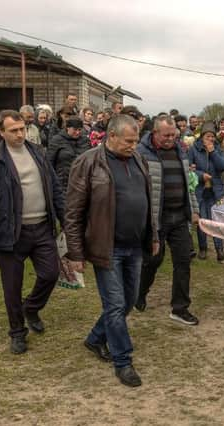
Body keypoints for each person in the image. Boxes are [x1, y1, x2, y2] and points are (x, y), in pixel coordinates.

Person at [65, 114, 159, 388]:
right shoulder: (88, 162)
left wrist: (152, 234)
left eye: (136, 139)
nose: (134, 145)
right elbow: (73, 212)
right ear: (112, 136)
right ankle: (123, 361)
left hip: (135, 245)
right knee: (115, 305)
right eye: (129, 141)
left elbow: (148, 202)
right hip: (108, 247)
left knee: (128, 301)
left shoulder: (139, 160)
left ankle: (95, 338)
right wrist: (76, 253)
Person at [0, 110, 65, 354]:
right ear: (1, 132)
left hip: (42, 228)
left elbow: (54, 188)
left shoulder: (37, 152)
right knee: (12, 287)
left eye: (22, 128)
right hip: (10, 233)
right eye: (13, 130)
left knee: (50, 273)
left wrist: (66, 220)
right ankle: (17, 332)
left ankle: (31, 308)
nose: (19, 134)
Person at [135, 115, 201, 326]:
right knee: (153, 260)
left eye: (174, 135)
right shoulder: (141, 153)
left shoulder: (181, 151)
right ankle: (139, 293)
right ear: (155, 133)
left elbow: (188, 184)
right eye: (166, 135)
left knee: (183, 262)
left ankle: (180, 308)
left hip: (180, 217)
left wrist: (195, 210)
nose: (171, 139)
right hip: (156, 219)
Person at [188, 121, 224, 261]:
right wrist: (200, 175)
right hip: (200, 189)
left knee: (216, 220)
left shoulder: (217, 149)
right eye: (207, 136)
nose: (210, 139)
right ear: (202, 137)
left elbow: (223, 166)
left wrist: (213, 152)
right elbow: (189, 167)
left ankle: (220, 250)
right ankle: (203, 248)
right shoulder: (194, 149)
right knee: (202, 220)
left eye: (212, 137)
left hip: (215, 190)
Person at [47, 117, 91, 192]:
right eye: (74, 129)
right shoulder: (57, 140)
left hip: (82, 183)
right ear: (67, 128)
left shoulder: (85, 141)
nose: (77, 132)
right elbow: (49, 162)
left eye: (80, 130)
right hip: (63, 184)